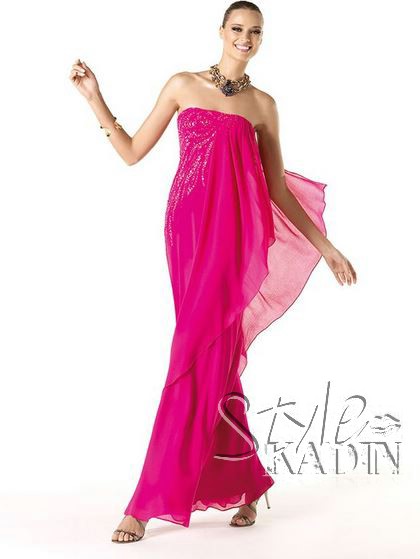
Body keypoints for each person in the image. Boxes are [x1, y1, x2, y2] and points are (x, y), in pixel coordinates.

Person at [69, 0, 357, 544]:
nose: (246, 38)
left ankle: (145, 503)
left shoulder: (263, 105)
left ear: (262, 39)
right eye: (238, 28)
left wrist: (326, 246)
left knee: (194, 356)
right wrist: (94, 99)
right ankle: (245, 483)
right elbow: (131, 152)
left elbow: (276, 188)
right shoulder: (182, 84)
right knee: (211, 358)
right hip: (185, 232)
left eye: (256, 32)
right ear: (221, 31)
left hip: (233, 241)